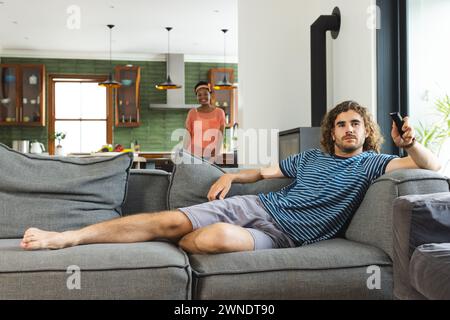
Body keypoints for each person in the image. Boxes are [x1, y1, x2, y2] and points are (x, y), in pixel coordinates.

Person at [20, 101, 441, 253]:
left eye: (356, 124)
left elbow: (431, 167)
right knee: (170, 220)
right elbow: (263, 170)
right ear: (331, 131)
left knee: (212, 239)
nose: (349, 129)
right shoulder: (311, 158)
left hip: (283, 237)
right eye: (342, 124)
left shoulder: (375, 163)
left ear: (367, 131)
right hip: (257, 205)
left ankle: (157, 236)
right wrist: (232, 179)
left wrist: (410, 143)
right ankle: (69, 236)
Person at [184, 81, 226, 162]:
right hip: (193, 155)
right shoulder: (192, 113)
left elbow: (220, 135)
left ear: (210, 94)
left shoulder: (219, 112)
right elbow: (188, 135)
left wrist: (216, 153)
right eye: (199, 95)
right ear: (196, 97)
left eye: (205, 94)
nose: (202, 97)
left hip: (211, 155)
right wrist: (183, 152)